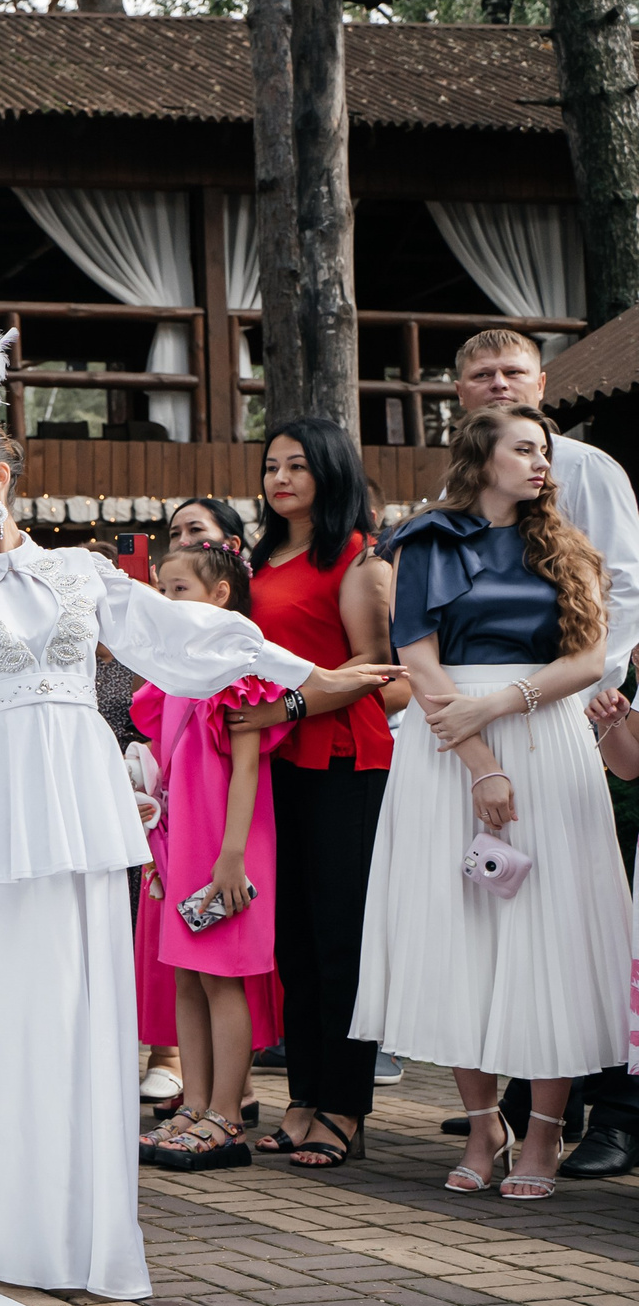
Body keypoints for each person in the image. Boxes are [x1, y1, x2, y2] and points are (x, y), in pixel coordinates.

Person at [0, 313, 394, 1297]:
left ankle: (60, 1233)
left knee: (72, 1019)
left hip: (75, 802)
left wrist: (304, 670)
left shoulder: (84, 574)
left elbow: (186, 637)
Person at [354, 404, 629, 1200]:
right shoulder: (423, 542)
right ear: (481, 456)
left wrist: (503, 704)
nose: (541, 462)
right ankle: (483, 1124)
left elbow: (587, 659)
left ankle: (544, 1132)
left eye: (544, 450)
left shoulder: (570, 548)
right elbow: (418, 659)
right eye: (524, 448)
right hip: (446, 752)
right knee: (456, 934)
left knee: (551, 936)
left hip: (546, 736)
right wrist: (478, 761)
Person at [447, 329, 639, 1178]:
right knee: (505, 908)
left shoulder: (591, 470)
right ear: (458, 392)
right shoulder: (456, 490)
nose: (496, 384)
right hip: (488, 720)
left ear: (542, 382)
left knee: (586, 912)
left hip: (587, 710)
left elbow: (624, 585)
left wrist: (603, 703)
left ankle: (615, 1112)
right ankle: (518, 1107)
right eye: (480, 374)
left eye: (511, 372)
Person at [225, 421, 402, 1169]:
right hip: (275, 761)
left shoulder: (357, 558)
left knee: (339, 940)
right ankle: (302, 1097)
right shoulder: (262, 559)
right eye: (271, 466)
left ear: (330, 472)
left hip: (343, 756)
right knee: (291, 936)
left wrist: (288, 707)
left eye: (298, 464)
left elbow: (376, 667)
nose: (282, 477)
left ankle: (345, 1106)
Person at [132, 544, 289, 1171]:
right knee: (187, 979)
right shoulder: (173, 677)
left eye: (179, 591)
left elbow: (246, 770)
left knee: (224, 979)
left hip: (229, 847)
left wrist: (231, 858)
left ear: (221, 596)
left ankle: (226, 1114)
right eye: (162, 591)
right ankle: (193, 1105)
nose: (166, 602)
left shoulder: (236, 669)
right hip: (180, 845)